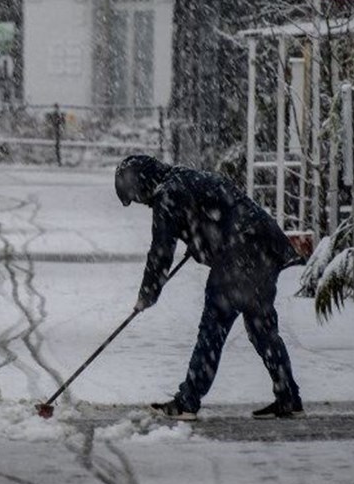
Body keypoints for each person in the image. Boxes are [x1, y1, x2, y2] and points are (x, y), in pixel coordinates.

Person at [115, 155, 304, 421]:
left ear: (141, 183)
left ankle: (188, 402)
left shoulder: (168, 193)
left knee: (213, 326)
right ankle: (288, 397)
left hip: (240, 256)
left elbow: (161, 251)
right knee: (261, 329)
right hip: (264, 248)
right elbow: (220, 213)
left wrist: (147, 295)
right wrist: (201, 241)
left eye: (135, 196)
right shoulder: (185, 178)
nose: (141, 203)